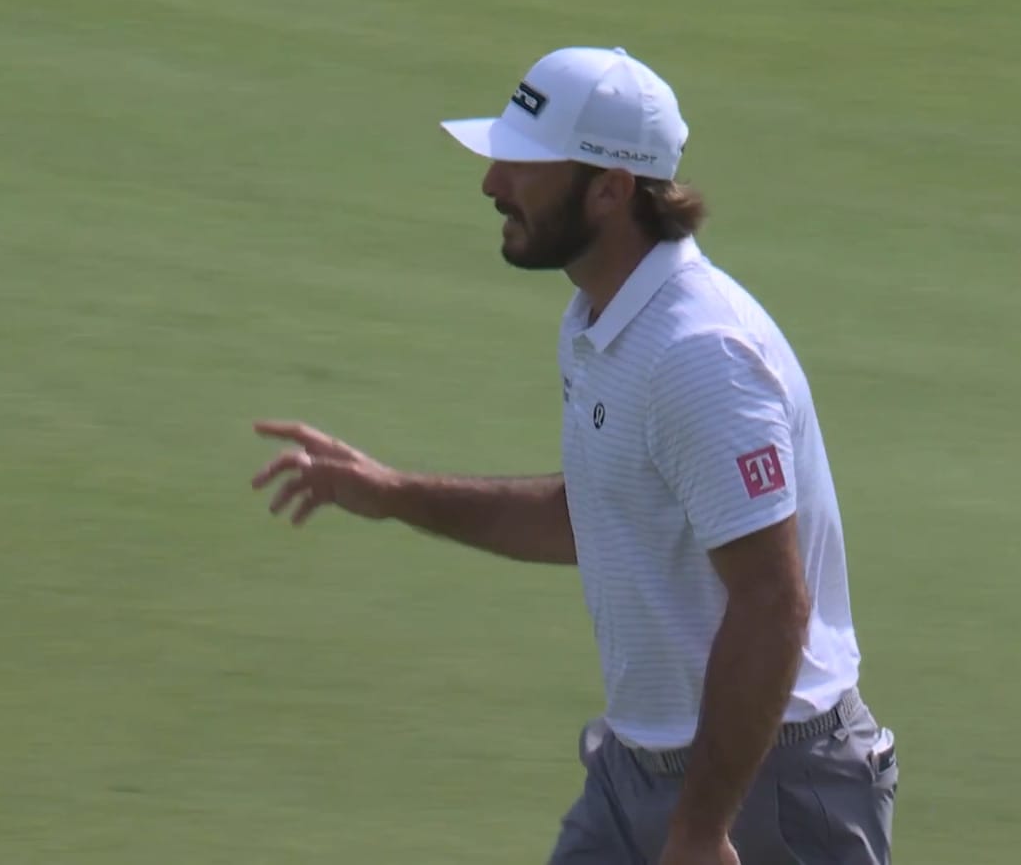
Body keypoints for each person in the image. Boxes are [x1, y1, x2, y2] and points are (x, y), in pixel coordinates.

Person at [250, 46, 897, 865]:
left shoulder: (699, 353)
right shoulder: (603, 319)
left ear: (611, 188)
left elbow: (772, 603)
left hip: (764, 789)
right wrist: (392, 492)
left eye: (522, 165)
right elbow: (590, 515)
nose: (491, 185)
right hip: (643, 775)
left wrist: (700, 829)